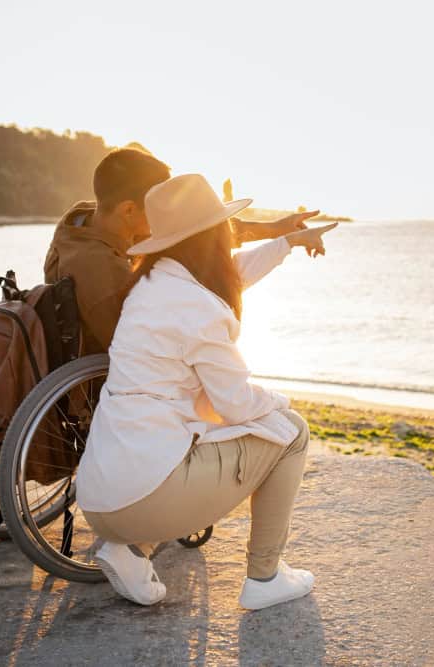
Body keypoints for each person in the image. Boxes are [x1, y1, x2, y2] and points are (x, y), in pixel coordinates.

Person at [77, 173, 338, 609]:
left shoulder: (152, 284)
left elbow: (229, 275)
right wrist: (279, 403)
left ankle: (127, 549)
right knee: (292, 432)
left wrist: (286, 243)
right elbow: (236, 404)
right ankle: (265, 577)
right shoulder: (197, 305)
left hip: (102, 500)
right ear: (212, 234)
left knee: (180, 442)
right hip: (144, 497)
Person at [44, 147, 318, 354]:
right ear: (128, 209)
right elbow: (137, 351)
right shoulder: (100, 272)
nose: (169, 215)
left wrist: (275, 229)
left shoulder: (95, 220)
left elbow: (197, 232)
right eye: (160, 208)